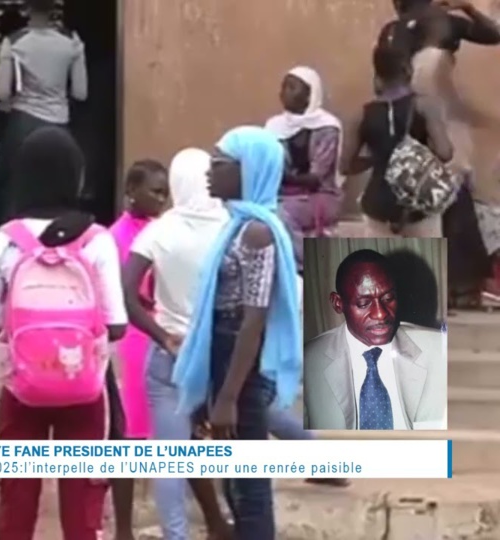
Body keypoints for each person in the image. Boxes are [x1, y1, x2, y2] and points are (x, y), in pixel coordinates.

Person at [0, 126, 126, 540]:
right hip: (86, 389)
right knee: (83, 505)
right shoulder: (98, 241)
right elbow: (117, 325)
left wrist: (25, 347)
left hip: (21, 389)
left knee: (17, 502)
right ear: (75, 176)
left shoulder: (4, 243)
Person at [172, 127, 301, 540]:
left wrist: (228, 395)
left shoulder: (258, 233)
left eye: (219, 164)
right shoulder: (238, 225)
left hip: (240, 359)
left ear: (249, 171)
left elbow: (254, 317)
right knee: (232, 475)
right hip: (223, 351)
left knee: (249, 483)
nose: (209, 172)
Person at [122, 148, 233, 540]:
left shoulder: (160, 230)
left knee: (169, 458)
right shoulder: (232, 227)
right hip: (220, 354)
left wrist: (161, 335)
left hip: (172, 355)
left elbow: (127, 295)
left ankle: (177, 535)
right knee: (262, 420)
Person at [379, 0, 500, 308]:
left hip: (405, 113)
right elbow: (494, 34)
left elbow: (381, 82)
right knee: (449, 189)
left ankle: (445, 287)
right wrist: (469, 9)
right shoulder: (440, 20)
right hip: (433, 114)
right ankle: (459, 286)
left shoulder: (392, 31)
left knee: (430, 193)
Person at [303, 249, 447, 430]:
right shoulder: (308, 361)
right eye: (364, 303)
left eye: (389, 298)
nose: (381, 313)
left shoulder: (440, 350)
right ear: (338, 303)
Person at [107, 159, 168, 540]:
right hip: (133, 337)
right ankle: (124, 529)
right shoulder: (118, 236)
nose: (163, 199)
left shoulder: (164, 230)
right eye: (156, 192)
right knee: (128, 434)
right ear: (132, 191)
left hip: (163, 331)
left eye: (166, 192)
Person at [339, 44, 453, 238]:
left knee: (383, 267)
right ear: (407, 69)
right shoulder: (424, 105)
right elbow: (445, 152)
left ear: (377, 75)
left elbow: (345, 166)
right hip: (419, 206)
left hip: (377, 206)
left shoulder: (362, 114)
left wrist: (377, 158)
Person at [0, 0, 87, 224]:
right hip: (59, 123)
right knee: (60, 190)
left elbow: (2, 93)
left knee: (15, 190)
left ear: (26, 8)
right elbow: (80, 92)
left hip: (23, 124)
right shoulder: (71, 41)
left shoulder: (14, 42)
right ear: (54, 8)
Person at [264, 66, 343, 272]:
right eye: (283, 86)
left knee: (280, 214)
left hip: (320, 196)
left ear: (310, 93)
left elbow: (316, 178)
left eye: (292, 87)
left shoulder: (327, 127)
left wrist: (284, 177)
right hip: (283, 194)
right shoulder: (274, 126)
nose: (283, 92)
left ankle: (304, 266)